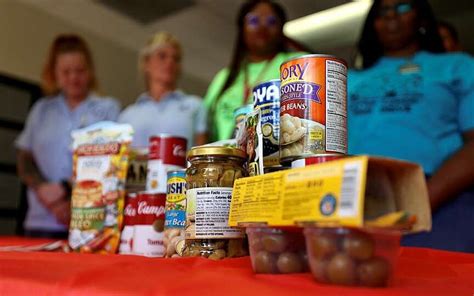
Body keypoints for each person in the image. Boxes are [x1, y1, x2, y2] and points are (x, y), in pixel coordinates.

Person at [348, 0, 474, 252]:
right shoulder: (349, 78)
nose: (392, 14)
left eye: (403, 7)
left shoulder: (457, 66)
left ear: (423, 19)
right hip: (352, 197)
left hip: (439, 197)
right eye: (383, 11)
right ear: (373, 24)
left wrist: (424, 198)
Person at [15, 34, 120, 238]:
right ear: (54, 73)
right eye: (66, 71)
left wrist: (66, 190)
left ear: (89, 71)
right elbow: (25, 157)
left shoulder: (108, 109)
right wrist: (45, 191)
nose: (73, 77)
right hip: (40, 220)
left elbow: (113, 161)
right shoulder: (41, 110)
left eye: (79, 70)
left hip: (90, 221)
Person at [204, 0, 306, 141]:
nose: (262, 27)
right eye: (254, 20)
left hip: (280, 158)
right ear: (242, 28)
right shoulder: (223, 78)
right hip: (227, 159)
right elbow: (205, 128)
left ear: (281, 28)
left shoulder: (297, 63)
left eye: (271, 21)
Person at [119, 32, 207, 149]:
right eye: (162, 56)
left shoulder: (195, 106)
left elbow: (202, 158)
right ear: (146, 63)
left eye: (176, 59)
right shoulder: (126, 115)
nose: (170, 62)